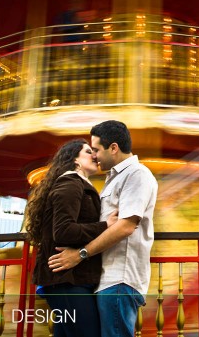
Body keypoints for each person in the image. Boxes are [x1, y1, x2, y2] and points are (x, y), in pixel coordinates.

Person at [48, 120, 158, 337]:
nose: (95, 155)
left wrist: (80, 254)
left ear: (114, 148)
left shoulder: (137, 174)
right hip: (108, 279)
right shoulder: (114, 178)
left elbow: (126, 226)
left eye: (96, 149)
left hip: (121, 278)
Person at [25, 139, 116, 337]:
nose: (94, 155)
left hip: (70, 278)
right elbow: (64, 231)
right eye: (88, 151)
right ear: (74, 159)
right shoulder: (71, 183)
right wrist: (105, 226)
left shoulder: (76, 184)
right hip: (67, 279)